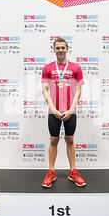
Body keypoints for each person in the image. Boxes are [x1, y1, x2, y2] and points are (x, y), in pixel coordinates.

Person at [41, 38, 86, 187]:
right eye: (57, 48)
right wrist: (53, 109)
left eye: (63, 48)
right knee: (53, 140)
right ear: (54, 49)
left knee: (70, 140)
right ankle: (51, 172)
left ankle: (73, 171)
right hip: (53, 111)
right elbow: (44, 90)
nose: (60, 50)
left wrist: (71, 109)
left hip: (70, 111)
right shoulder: (47, 68)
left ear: (67, 49)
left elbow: (78, 91)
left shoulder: (75, 68)